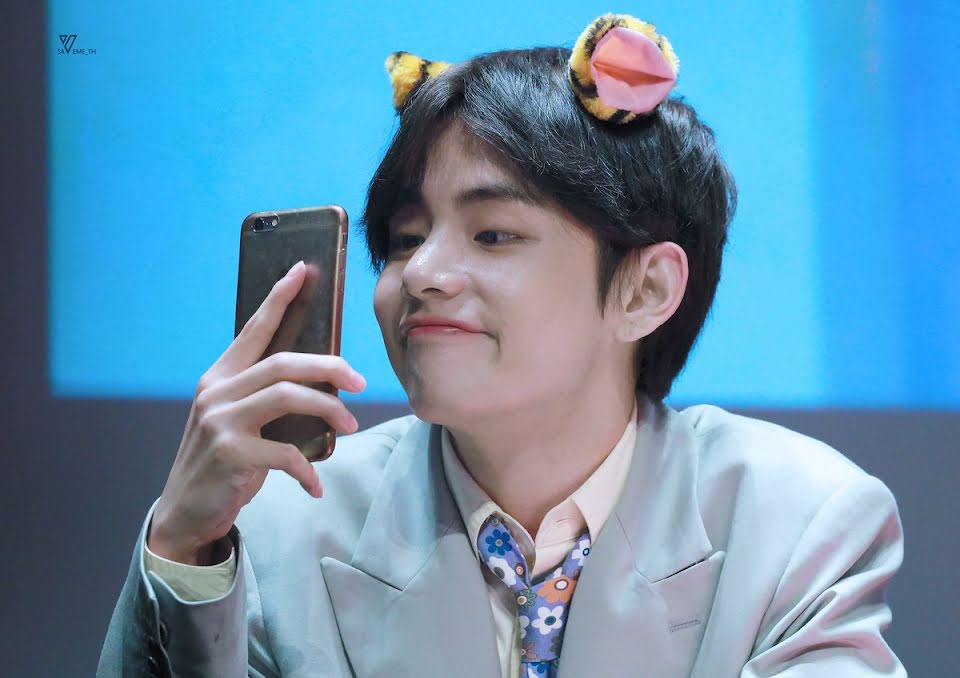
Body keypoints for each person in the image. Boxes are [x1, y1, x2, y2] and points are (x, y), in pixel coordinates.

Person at [97, 13, 905, 678]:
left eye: (492, 233)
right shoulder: (278, 526)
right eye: (406, 239)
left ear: (646, 289)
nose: (423, 274)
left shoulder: (797, 521)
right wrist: (182, 548)